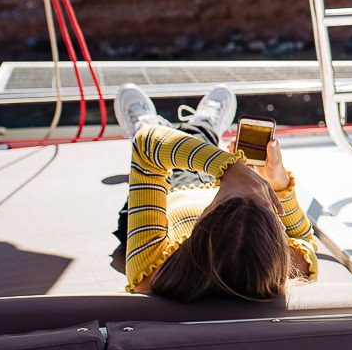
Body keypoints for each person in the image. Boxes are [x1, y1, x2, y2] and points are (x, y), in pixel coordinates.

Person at [114, 84, 319, 301]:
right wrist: (277, 179)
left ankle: (190, 125)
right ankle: (204, 126)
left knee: (192, 146)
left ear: (201, 223)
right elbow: (303, 236)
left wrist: (230, 167)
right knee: (197, 148)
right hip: (198, 195)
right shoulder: (294, 265)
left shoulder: (150, 267)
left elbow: (147, 144)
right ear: (279, 236)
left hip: (173, 196)